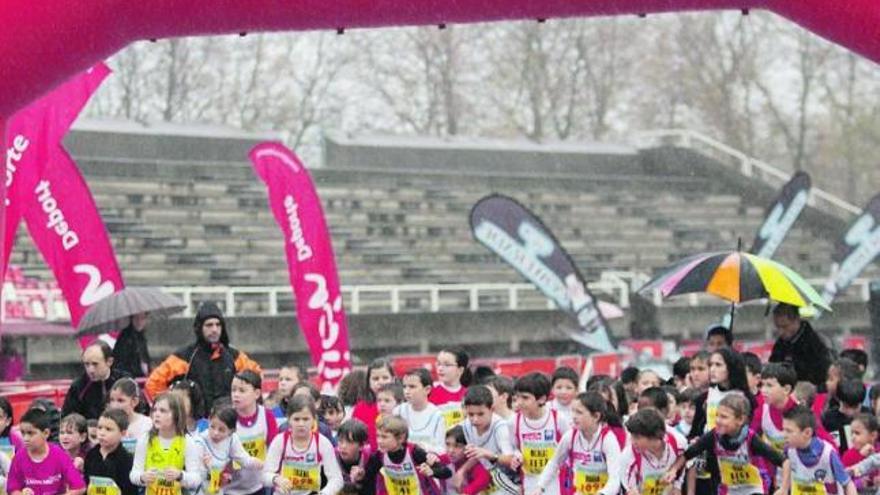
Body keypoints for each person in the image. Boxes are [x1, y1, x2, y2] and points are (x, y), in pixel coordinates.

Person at [664, 393, 787, 495]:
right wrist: (674, 469)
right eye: (717, 415)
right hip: (729, 490)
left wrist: (784, 488)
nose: (717, 420)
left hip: (753, 488)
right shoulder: (713, 436)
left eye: (724, 417)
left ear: (740, 420)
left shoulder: (751, 439)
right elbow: (688, 454)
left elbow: (785, 462)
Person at [146, 302, 262, 407]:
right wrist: (171, 409)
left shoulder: (234, 355)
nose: (214, 329)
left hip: (226, 421)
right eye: (209, 325)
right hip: (196, 424)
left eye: (218, 324)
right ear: (200, 328)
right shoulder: (184, 356)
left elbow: (257, 375)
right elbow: (154, 383)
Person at [531, 392, 622, 495]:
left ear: (596, 416)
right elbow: (554, 462)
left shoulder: (608, 440)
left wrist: (602, 493)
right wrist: (540, 487)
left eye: (579, 412)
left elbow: (615, 478)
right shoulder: (570, 436)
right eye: (573, 411)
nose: (574, 417)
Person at [262, 395, 343, 495]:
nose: (301, 424)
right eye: (296, 419)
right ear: (288, 419)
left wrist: (324, 493)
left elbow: (337, 479)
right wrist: (276, 479)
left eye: (305, 419)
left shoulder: (322, 443)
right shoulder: (280, 441)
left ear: (314, 419)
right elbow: (264, 476)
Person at [129, 393, 203, 495]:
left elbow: (196, 478)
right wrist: (142, 477)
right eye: (154, 410)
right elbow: (134, 474)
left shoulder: (187, 441)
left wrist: (180, 475)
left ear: (176, 415)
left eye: (163, 411)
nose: (157, 414)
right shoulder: (145, 439)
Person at [359, 415, 452, 495]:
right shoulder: (379, 456)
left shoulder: (415, 452)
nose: (379, 441)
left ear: (401, 438)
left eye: (384, 437)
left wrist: (432, 472)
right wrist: (359, 477)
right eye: (378, 436)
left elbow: (447, 472)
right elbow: (367, 481)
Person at [512, 372, 570, 495]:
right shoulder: (514, 421)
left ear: (542, 399)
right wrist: (516, 456)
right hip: (529, 480)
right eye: (517, 397)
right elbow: (513, 447)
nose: (520, 402)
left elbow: (570, 448)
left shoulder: (557, 418)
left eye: (525, 397)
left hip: (555, 481)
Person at [6, 408, 86, 495]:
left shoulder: (59, 455)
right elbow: (12, 488)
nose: (26, 438)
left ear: (46, 433)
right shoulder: (19, 457)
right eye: (23, 433)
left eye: (30, 433)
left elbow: (80, 487)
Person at [783, 405, 856, 495]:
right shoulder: (789, 450)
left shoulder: (828, 454)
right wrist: (784, 488)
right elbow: (786, 465)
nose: (784, 435)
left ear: (807, 432)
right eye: (783, 430)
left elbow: (847, 483)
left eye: (789, 431)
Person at [196, 403, 262, 495]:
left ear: (231, 431)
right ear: (209, 420)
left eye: (221, 430)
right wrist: (207, 469)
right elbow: (195, 473)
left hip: (217, 490)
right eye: (212, 426)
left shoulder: (231, 439)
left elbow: (243, 459)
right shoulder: (199, 441)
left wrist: (256, 463)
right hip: (200, 490)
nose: (215, 433)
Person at [769, 302, 832, 390]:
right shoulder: (780, 344)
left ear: (796, 320)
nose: (781, 332)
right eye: (777, 327)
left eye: (784, 326)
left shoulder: (814, 344)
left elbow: (822, 374)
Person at [619, 408, 683, 495]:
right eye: (632, 436)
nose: (632, 441)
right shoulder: (628, 456)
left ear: (653, 436)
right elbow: (631, 490)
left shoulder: (678, 443)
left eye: (637, 437)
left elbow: (687, 460)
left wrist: (677, 486)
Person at [62, 341, 130, 420]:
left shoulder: (124, 380)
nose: (90, 370)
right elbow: (67, 418)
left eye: (95, 364)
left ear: (109, 362)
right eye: (87, 364)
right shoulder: (78, 386)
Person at [84, 409, 138, 495]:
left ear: (123, 433)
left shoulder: (126, 459)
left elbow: (130, 490)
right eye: (100, 428)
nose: (102, 433)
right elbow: (86, 483)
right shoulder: (91, 454)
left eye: (108, 429)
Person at [395, 368, 446, 455]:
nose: (406, 391)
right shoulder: (398, 411)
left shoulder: (437, 415)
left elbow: (442, 449)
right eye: (404, 386)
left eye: (412, 387)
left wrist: (424, 448)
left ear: (427, 390)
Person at [430, 349, 471, 430]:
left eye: (447, 365)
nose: (440, 368)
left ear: (460, 370)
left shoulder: (469, 394)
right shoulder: (429, 392)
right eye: (438, 364)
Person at [112, 312, 151, 379]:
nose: (139, 322)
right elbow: (120, 363)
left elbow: (145, 358)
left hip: (142, 377)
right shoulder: (125, 337)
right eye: (136, 318)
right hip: (128, 379)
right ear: (131, 319)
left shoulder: (141, 336)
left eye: (143, 318)